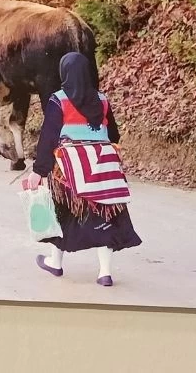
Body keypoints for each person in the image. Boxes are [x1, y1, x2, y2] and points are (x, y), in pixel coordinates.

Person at [21, 52, 142, 286]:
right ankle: (104, 272)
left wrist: (39, 170)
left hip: (69, 170)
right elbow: (113, 134)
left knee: (62, 213)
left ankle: (55, 263)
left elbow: (49, 138)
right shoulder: (102, 100)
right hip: (103, 170)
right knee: (105, 214)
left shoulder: (59, 100)